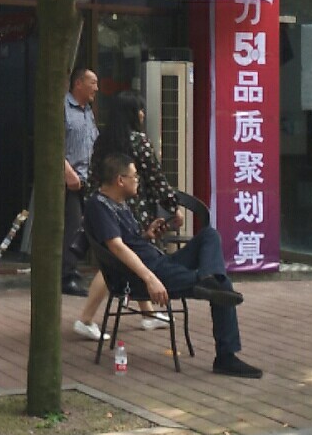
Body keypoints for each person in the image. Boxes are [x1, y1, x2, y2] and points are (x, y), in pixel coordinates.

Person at [72, 152, 264, 378]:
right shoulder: (99, 206)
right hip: (145, 275)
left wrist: (147, 235)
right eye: (134, 176)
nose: (138, 180)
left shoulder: (119, 203)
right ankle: (226, 357)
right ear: (120, 180)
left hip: (159, 263)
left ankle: (209, 278)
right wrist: (150, 279)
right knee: (223, 288)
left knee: (209, 236)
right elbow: (117, 247)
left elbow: (130, 243)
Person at [77, 90, 177, 335]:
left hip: (104, 205)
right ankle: (86, 318)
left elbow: (93, 176)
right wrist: (172, 206)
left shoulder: (102, 140)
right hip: (133, 210)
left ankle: (148, 314)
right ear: (132, 114)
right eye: (139, 109)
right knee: (116, 261)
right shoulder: (139, 141)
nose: (142, 114)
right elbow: (156, 178)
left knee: (120, 258)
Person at [59, 67, 100, 297]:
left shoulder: (88, 112)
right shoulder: (63, 108)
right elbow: (53, 144)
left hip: (87, 180)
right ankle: (66, 277)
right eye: (92, 83)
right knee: (72, 229)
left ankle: (73, 272)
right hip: (68, 181)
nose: (96, 88)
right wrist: (67, 171)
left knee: (86, 228)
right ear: (78, 84)